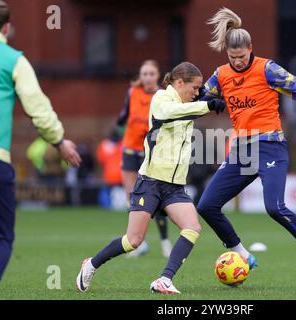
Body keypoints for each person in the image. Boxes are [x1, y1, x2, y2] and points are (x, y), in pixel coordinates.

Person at [197, 8, 296, 288]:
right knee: (207, 205)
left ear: (250, 48)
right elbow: (200, 99)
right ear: (226, 52)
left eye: (242, 56)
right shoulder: (220, 75)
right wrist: (206, 102)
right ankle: (242, 255)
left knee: (274, 207)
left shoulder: (267, 69)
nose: (237, 62)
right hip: (241, 151)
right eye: (232, 57)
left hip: (270, 146)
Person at [76, 62, 226, 294]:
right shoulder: (161, 99)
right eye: (193, 88)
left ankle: (164, 280)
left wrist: (204, 99)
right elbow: (169, 114)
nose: (197, 93)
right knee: (133, 241)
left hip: (174, 186)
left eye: (198, 89)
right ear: (179, 83)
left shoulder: (189, 103)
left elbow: (195, 103)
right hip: (151, 182)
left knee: (192, 227)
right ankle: (92, 264)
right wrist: (205, 106)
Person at [0, 0, 81, 300]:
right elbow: (38, 109)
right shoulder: (13, 60)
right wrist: (59, 141)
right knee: (1, 238)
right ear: (7, 28)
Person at [116, 60, 172, 258]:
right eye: (144, 73)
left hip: (151, 152)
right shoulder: (132, 93)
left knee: (155, 199)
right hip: (130, 150)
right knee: (132, 198)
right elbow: (123, 115)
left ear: (157, 76)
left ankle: (165, 241)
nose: (147, 77)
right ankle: (138, 244)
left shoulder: (163, 96)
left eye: (151, 73)